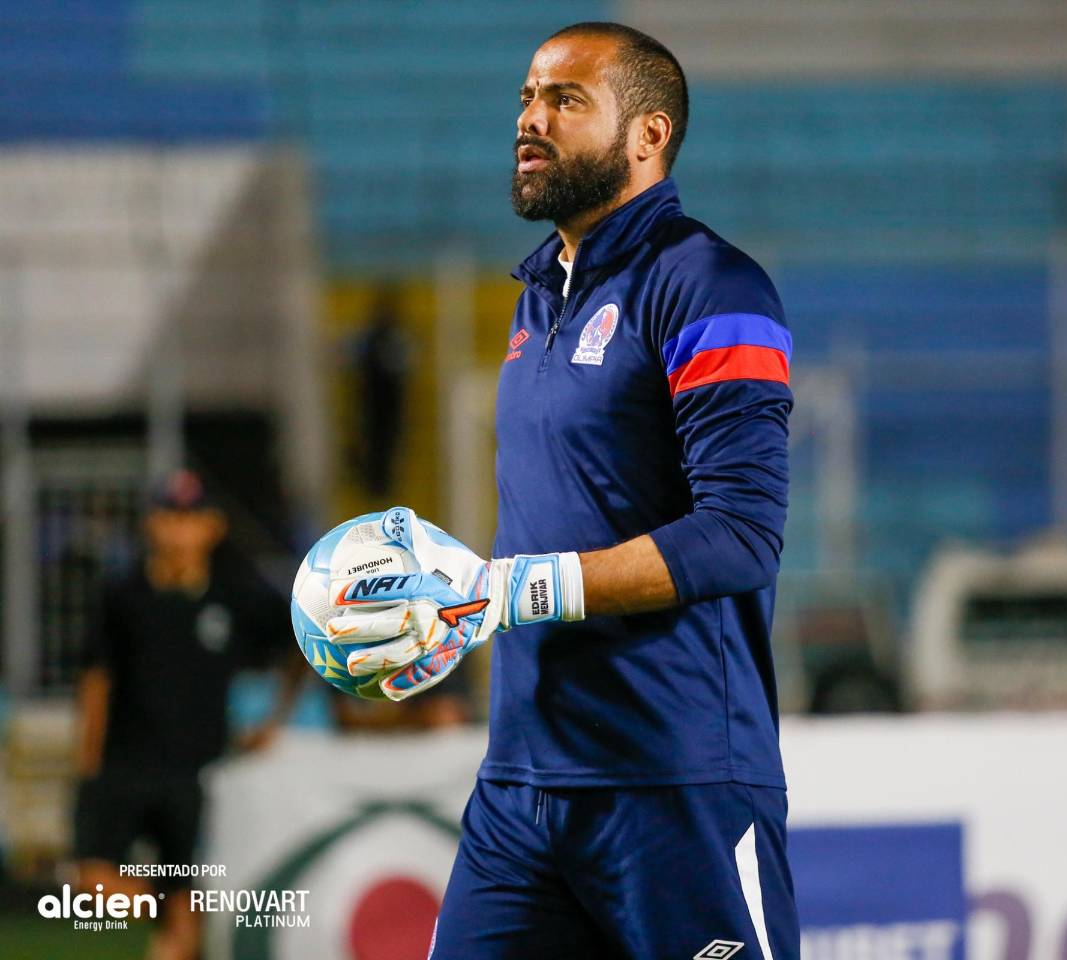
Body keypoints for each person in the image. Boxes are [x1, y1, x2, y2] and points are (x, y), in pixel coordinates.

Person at [327, 21, 800, 959]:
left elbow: (742, 534)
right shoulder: (537, 296)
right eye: (526, 99)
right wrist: (457, 609)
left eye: (565, 100)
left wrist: (506, 592)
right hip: (521, 787)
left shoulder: (712, 286)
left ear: (648, 135)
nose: (531, 121)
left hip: (676, 783)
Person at [73, 469, 304, 960]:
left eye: (191, 516)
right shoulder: (123, 595)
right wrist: (88, 760)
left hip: (198, 775)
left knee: (184, 937)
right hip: (125, 767)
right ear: (152, 524)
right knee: (94, 884)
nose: (180, 528)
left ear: (213, 526)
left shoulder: (234, 597)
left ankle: (180, 916)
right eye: (170, 516)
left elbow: (301, 645)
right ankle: (170, 906)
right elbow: (96, 679)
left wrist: (274, 722)